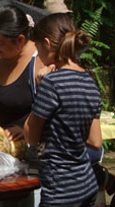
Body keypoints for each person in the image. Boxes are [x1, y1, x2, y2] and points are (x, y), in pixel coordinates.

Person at [24, 13, 103, 206]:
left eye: (37, 47)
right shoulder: (90, 82)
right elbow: (95, 141)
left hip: (60, 188)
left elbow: (30, 136)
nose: (38, 55)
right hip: (87, 185)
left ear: (47, 43)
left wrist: (41, 88)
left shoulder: (51, 83)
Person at [0, 5, 45, 207]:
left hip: (31, 160)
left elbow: (53, 110)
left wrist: (27, 128)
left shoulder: (41, 63)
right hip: (2, 156)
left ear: (20, 40)